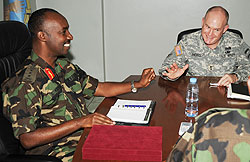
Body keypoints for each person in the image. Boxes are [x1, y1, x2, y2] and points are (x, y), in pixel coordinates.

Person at [1, 8, 156, 162]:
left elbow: (99, 88)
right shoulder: (25, 82)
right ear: (42, 36)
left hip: (88, 137)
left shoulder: (63, 66)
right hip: (61, 151)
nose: (70, 36)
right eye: (63, 32)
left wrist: (137, 84)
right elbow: (27, 139)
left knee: (151, 144)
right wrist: (80, 122)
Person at [159, 6, 250, 87]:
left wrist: (235, 77)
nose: (210, 34)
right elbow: (165, 69)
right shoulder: (187, 42)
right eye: (207, 27)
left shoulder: (236, 42)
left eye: (216, 30)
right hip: (194, 94)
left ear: (225, 29)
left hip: (225, 97)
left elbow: (248, 67)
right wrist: (172, 75)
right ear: (203, 22)